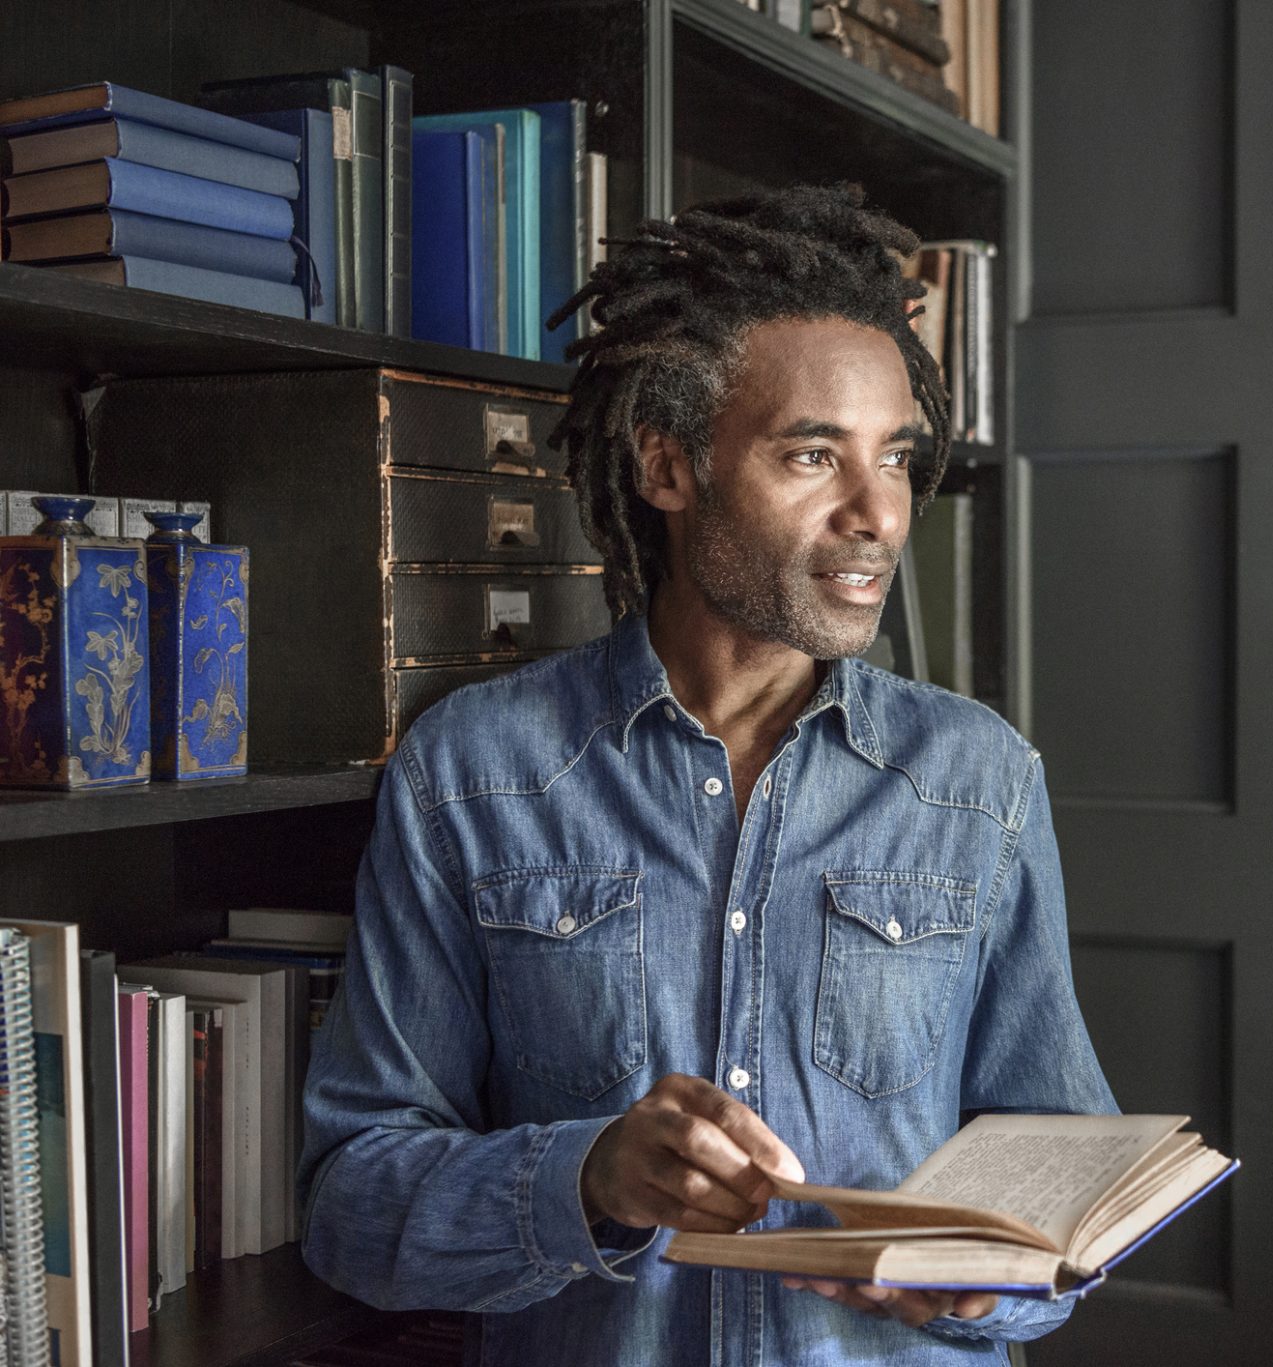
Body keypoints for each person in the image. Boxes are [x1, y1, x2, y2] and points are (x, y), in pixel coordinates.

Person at [297, 183, 1117, 1365]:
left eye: (892, 455)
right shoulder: (472, 771)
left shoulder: (976, 779)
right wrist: (587, 1176)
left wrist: (999, 1281)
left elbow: (1057, 1167)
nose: (877, 513)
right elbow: (350, 1200)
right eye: (810, 454)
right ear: (669, 466)